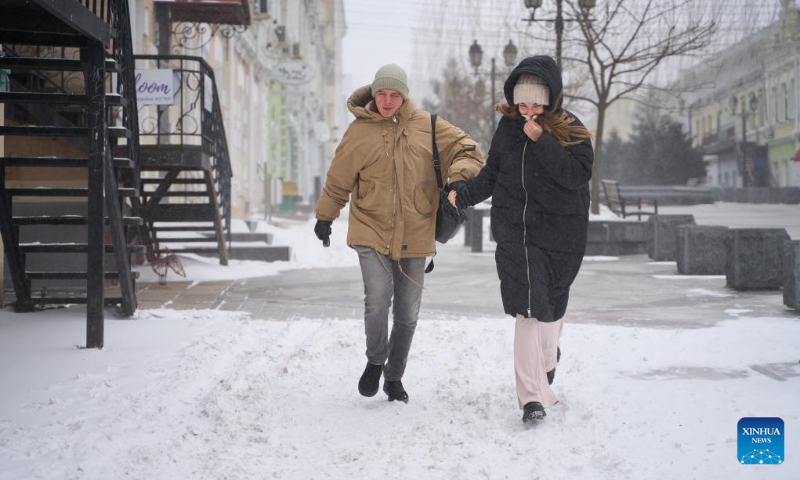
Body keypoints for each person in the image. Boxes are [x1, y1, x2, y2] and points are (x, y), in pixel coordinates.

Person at [314, 64, 483, 404]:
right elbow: (338, 180)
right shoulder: (358, 132)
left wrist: (459, 177)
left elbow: (470, 151)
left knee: (407, 315)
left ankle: (394, 377)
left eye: (395, 94)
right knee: (377, 302)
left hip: (417, 231)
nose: (388, 101)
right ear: (374, 94)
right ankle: (376, 361)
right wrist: (325, 216)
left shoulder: (430, 127)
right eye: (382, 94)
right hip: (370, 229)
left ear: (404, 96)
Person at [449, 55, 593, 423]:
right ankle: (531, 398)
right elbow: (493, 172)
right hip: (515, 232)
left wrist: (543, 140)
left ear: (552, 100)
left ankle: (548, 359)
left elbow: (575, 176)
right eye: (522, 103)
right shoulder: (508, 128)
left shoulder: (570, 129)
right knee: (526, 308)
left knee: (550, 308)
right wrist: (463, 194)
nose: (528, 110)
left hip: (561, 234)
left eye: (536, 103)